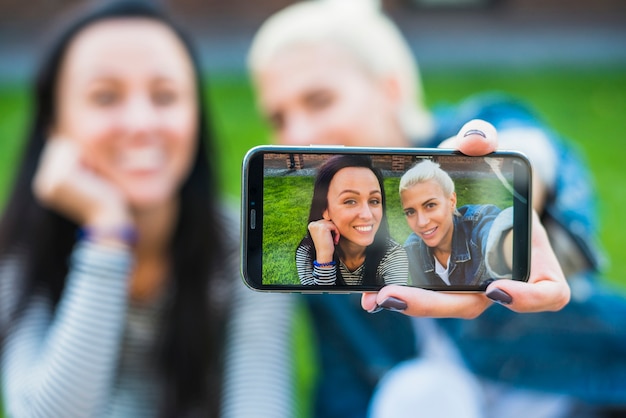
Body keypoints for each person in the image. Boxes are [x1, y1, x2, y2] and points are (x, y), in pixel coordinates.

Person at [247, 0, 626, 417]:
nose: (298, 133)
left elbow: (528, 146)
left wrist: (505, 187)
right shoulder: (331, 240)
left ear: (389, 88)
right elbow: (344, 392)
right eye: (279, 117)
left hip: (581, 395)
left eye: (319, 100)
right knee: (419, 391)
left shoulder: (460, 137)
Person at [0, 1, 295, 417]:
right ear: (55, 124)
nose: (141, 122)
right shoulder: (22, 255)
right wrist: (107, 232)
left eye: (165, 95)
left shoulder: (245, 245)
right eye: (105, 97)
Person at [296, 154, 409, 286]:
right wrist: (324, 257)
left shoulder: (393, 254)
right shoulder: (308, 252)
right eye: (350, 201)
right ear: (325, 209)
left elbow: (396, 306)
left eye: (374, 201)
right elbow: (322, 305)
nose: (367, 215)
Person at [400, 159, 513, 287]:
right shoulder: (412, 249)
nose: (421, 222)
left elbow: (497, 237)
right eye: (410, 212)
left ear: (452, 201)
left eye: (430, 205)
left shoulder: (479, 220)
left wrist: (512, 247)